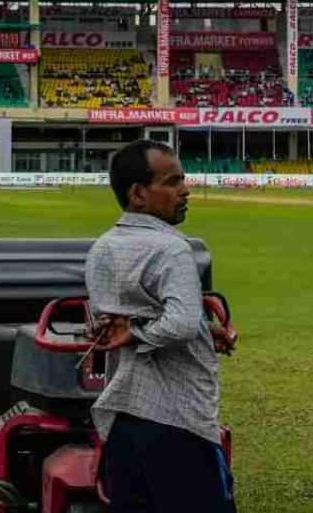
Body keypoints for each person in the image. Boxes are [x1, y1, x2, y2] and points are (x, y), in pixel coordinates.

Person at [84, 139, 237, 513]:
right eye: (172, 183)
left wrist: (202, 329)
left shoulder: (102, 248)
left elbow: (129, 313)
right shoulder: (172, 249)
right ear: (137, 194)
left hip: (124, 416)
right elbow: (180, 323)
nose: (185, 191)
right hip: (178, 420)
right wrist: (141, 331)